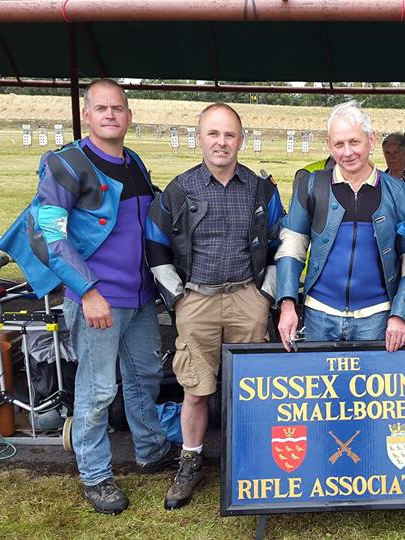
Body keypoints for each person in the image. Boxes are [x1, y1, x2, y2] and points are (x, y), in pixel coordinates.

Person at [0, 79, 177, 515]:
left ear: (129, 116)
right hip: (97, 299)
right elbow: (51, 236)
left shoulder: (133, 162)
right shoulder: (65, 164)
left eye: (118, 108)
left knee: (144, 379)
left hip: (140, 298)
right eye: (101, 108)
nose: (110, 115)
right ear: (87, 114)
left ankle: (152, 451)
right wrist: (88, 291)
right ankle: (95, 476)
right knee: (97, 392)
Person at [145, 103, 284, 509]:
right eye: (213, 134)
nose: (221, 142)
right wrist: (179, 298)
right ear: (199, 138)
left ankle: (253, 462)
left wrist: (266, 295)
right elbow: (155, 245)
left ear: (241, 140)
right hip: (197, 300)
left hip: (247, 299)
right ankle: (191, 461)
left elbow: (282, 242)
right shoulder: (179, 190)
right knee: (196, 389)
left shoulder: (262, 190)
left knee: (254, 390)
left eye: (229, 135)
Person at [276, 101, 405, 352]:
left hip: (377, 317)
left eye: (354, 142)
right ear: (329, 145)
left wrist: (400, 313)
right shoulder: (311, 186)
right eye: (339, 144)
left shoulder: (396, 191)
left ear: (371, 139)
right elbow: (291, 248)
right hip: (318, 315)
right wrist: (287, 303)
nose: (347, 152)